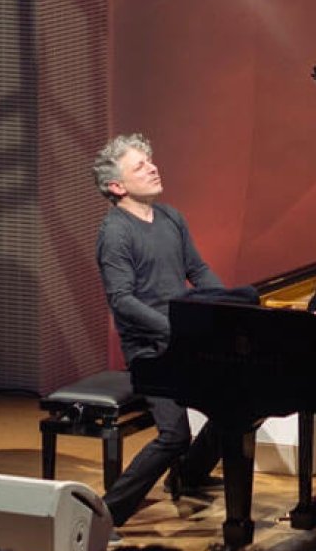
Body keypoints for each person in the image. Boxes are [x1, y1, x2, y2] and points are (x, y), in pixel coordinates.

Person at [92, 133, 226, 529]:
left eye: (150, 161)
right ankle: (104, 513)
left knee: (238, 407)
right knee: (173, 437)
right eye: (140, 166)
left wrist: (228, 305)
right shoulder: (115, 232)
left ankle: (190, 476)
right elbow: (122, 300)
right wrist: (173, 327)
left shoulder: (170, 217)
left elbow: (197, 271)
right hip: (151, 350)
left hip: (184, 340)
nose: (152, 167)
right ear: (117, 187)